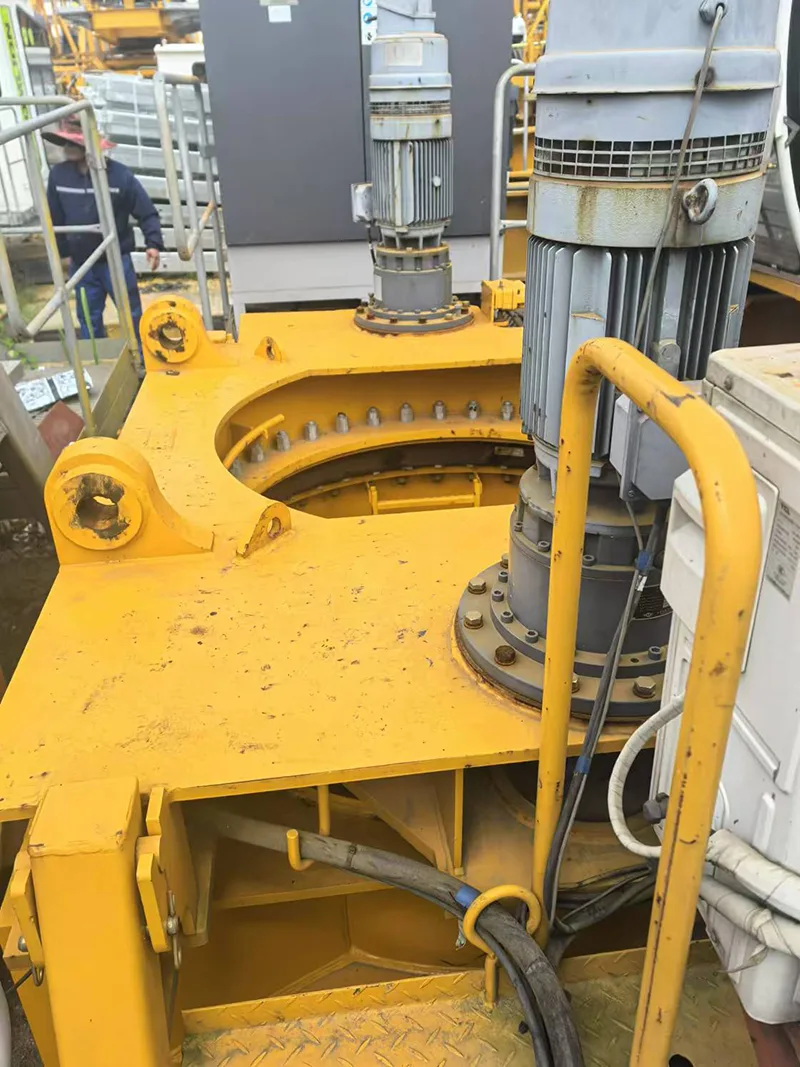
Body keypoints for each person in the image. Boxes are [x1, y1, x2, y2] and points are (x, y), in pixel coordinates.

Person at [44, 118, 164, 346]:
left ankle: (142, 357)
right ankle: (98, 360)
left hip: (115, 261)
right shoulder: (59, 176)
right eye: (66, 143)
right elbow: (55, 217)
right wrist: (63, 252)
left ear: (90, 146)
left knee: (132, 315)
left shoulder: (119, 176)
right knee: (88, 318)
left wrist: (153, 244)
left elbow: (146, 211)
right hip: (82, 263)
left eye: (73, 143)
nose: (67, 148)